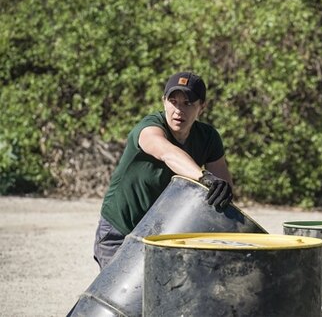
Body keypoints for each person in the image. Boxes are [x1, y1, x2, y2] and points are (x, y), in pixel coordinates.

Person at [93, 71, 233, 269]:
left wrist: (222, 189)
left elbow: (224, 189)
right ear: (163, 102)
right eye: (173, 101)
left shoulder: (208, 138)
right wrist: (203, 177)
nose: (178, 110)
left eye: (188, 103)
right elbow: (167, 153)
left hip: (161, 236)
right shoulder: (149, 128)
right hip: (120, 231)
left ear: (202, 107)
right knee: (121, 297)